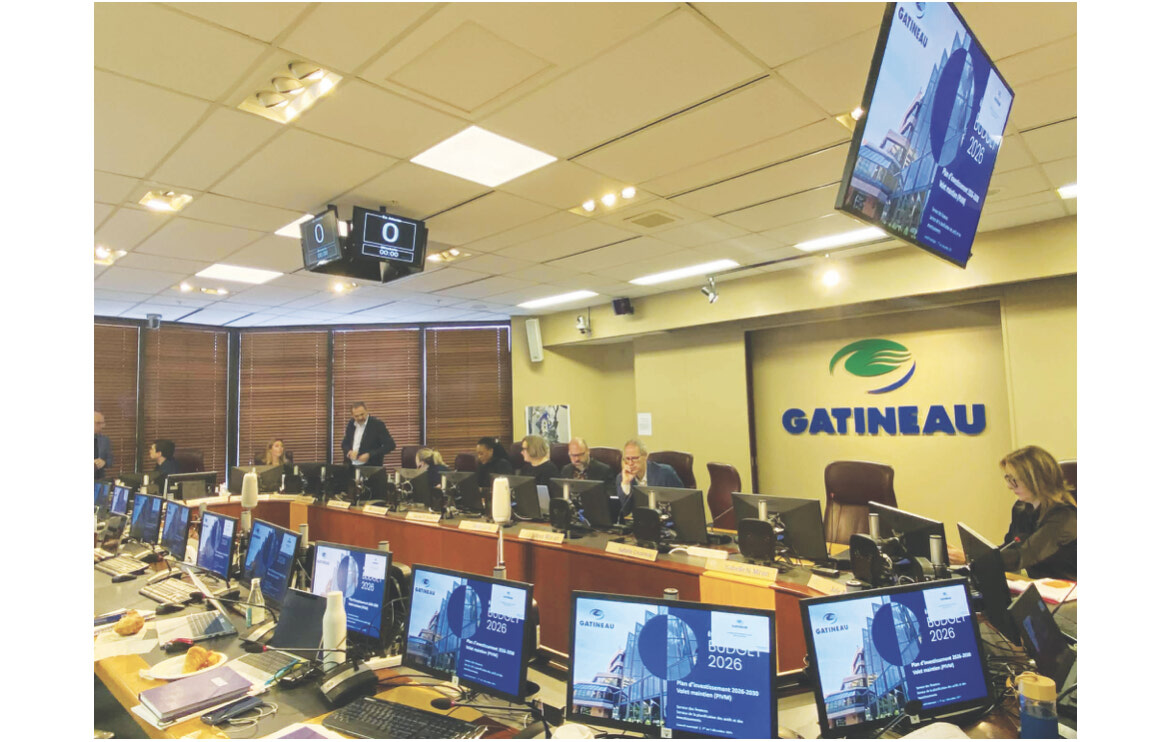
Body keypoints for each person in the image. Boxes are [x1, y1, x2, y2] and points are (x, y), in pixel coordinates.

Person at [999, 445, 1077, 581]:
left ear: (1036, 479)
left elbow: (1023, 556)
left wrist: (972, 559)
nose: (1009, 486)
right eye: (1008, 478)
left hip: (1068, 589)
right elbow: (1009, 548)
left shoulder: (1064, 516)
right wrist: (975, 557)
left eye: (1014, 480)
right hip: (1040, 585)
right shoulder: (1020, 508)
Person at [613, 438, 683, 522]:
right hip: (637, 524)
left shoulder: (665, 473)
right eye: (627, 459)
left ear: (645, 456)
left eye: (634, 458)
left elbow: (683, 502)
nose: (631, 463)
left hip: (664, 524)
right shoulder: (621, 478)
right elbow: (624, 512)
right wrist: (626, 483)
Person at [340, 402, 396, 468]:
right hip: (351, 466)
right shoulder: (351, 424)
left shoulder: (377, 424)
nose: (360, 418)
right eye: (356, 416)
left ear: (367, 411)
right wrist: (349, 452)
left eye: (362, 414)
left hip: (371, 467)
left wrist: (369, 455)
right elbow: (344, 444)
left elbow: (390, 445)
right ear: (352, 415)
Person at [95, 411, 113, 479]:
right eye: (98, 423)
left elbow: (110, 461)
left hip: (100, 480)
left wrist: (104, 463)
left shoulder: (105, 440)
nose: (102, 426)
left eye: (103, 423)